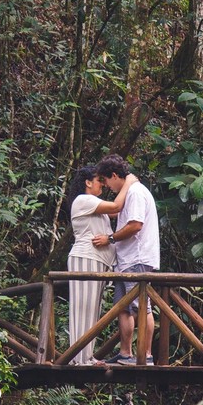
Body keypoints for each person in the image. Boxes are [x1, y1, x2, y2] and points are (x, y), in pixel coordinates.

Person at [92, 154, 160, 365]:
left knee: (141, 306)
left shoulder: (136, 192)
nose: (107, 186)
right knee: (123, 307)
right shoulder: (129, 191)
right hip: (126, 259)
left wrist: (110, 238)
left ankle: (146, 355)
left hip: (138, 257)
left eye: (106, 181)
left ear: (114, 175)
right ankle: (126, 354)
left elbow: (135, 225)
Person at [66, 166, 137, 365]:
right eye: (99, 181)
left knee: (93, 311)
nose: (102, 185)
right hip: (85, 259)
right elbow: (116, 207)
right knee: (82, 309)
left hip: (97, 261)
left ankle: (86, 356)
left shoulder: (95, 204)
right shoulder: (83, 200)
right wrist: (129, 182)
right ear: (88, 183)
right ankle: (78, 359)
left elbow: (117, 211)